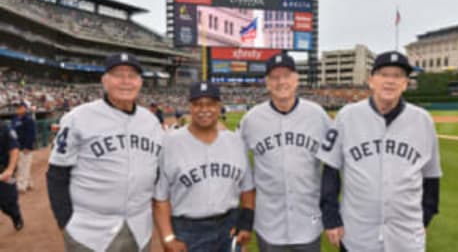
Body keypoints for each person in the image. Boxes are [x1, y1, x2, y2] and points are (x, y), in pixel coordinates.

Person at [317, 51, 442, 252]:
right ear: (371, 80)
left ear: (405, 83)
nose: (390, 81)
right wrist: (331, 217)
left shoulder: (423, 120)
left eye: (397, 76)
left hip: (406, 235)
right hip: (357, 233)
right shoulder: (347, 116)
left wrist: (426, 216)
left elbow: (432, 176)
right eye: (384, 74)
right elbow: (330, 170)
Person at [46, 52, 164, 252]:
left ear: (140, 82)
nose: (126, 81)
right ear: (105, 81)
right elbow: (57, 172)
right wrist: (64, 220)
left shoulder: (151, 122)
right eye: (118, 74)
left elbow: (157, 171)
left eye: (132, 76)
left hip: (139, 228)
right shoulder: (78, 117)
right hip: (89, 230)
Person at [238, 53, 332, 252]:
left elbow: (335, 161)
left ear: (296, 79)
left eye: (286, 75)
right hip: (269, 219)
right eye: (274, 77)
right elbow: (238, 163)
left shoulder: (317, 115)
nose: (281, 81)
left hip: (308, 217)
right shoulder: (251, 119)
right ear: (267, 83)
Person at [154, 81, 255, 252]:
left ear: (219, 107)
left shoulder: (236, 142)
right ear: (190, 107)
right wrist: (168, 237)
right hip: (187, 229)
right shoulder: (170, 142)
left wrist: (245, 224)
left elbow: (248, 189)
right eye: (198, 104)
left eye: (210, 104)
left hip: (229, 226)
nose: (204, 109)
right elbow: (160, 198)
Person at [0, 120, 24, 231]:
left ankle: (16, 217)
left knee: (8, 203)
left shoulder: (5, 129)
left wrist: (10, 169)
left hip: (4, 172)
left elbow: (14, 149)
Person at [12, 100, 36, 192]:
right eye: (17, 107)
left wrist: (28, 147)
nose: (18, 109)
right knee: (23, 165)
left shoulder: (29, 119)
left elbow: (31, 134)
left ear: (25, 108)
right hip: (16, 146)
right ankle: (29, 183)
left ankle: (21, 185)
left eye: (20, 107)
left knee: (23, 166)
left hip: (24, 147)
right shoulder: (15, 119)